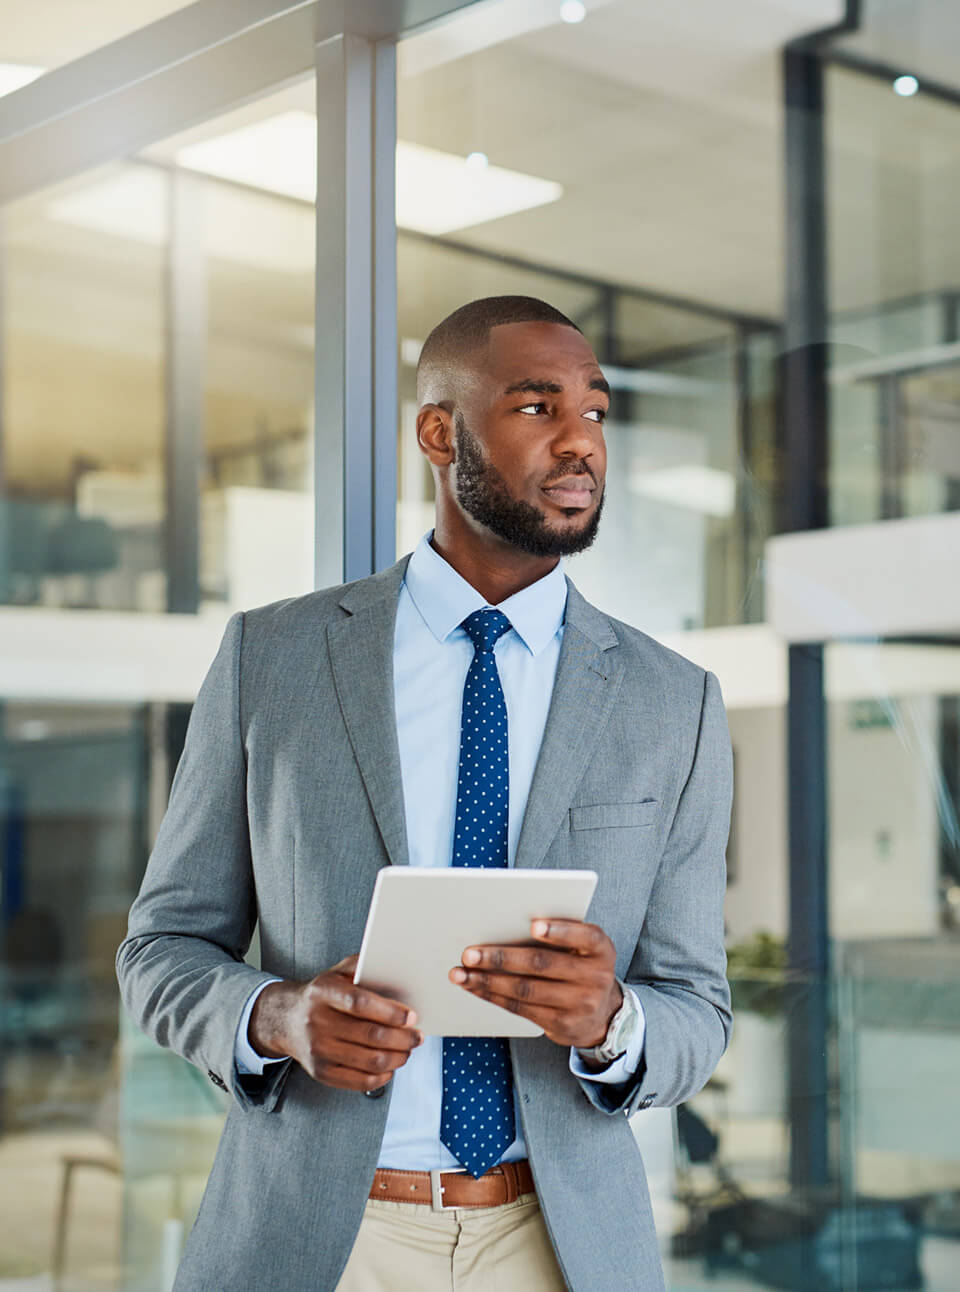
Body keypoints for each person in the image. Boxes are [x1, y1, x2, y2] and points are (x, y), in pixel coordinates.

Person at [117, 295, 733, 1292]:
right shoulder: (274, 658)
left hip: (561, 1245)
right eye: (538, 407)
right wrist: (275, 1015)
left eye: (598, 411)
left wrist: (614, 1019)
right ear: (440, 433)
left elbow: (698, 1005)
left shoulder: (677, 703)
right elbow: (159, 949)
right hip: (319, 1240)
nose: (581, 440)